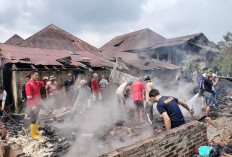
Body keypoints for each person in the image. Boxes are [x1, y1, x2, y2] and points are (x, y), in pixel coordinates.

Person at [25, 70, 45, 139]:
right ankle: (33, 135)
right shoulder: (28, 84)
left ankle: (36, 131)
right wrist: (32, 105)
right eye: (36, 75)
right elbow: (29, 96)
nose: (37, 76)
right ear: (32, 75)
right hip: (32, 105)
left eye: (38, 75)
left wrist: (44, 80)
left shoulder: (37, 82)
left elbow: (42, 85)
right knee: (33, 119)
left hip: (38, 103)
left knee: (36, 117)